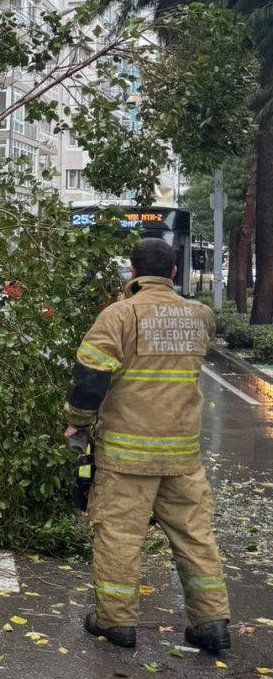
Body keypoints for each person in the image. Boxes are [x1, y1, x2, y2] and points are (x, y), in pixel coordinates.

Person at [63, 238, 229, 654]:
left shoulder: (119, 315)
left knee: (119, 537)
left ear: (133, 271)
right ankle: (211, 624)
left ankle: (116, 624)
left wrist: (77, 425)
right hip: (182, 456)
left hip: (126, 458)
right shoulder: (201, 316)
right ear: (174, 272)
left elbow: (90, 378)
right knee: (195, 538)